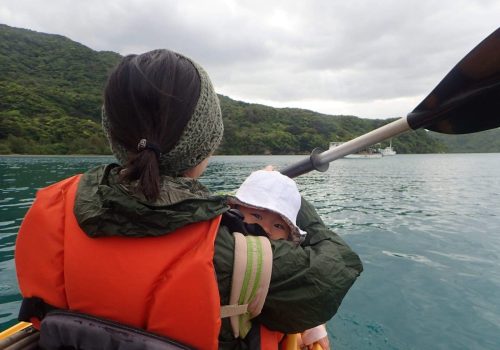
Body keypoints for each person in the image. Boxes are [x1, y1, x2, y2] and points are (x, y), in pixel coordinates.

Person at [14, 49, 363, 350]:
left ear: (113, 132)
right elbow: (337, 268)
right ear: (207, 141)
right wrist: (293, 200)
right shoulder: (239, 256)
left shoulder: (49, 209)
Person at [229, 169, 331, 350]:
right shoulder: (222, 245)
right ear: (235, 211)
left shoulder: (284, 262)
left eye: (277, 225)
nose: (265, 228)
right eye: (257, 216)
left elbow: (300, 295)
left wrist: (314, 327)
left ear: (287, 238)